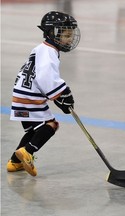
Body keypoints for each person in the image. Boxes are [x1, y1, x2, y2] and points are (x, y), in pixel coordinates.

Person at [7, 11, 81, 176]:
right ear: (52, 33)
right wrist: (62, 94)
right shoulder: (49, 52)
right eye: (66, 35)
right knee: (51, 125)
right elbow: (46, 77)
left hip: (21, 96)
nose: (70, 39)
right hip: (30, 98)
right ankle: (27, 152)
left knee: (33, 131)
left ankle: (15, 162)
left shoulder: (41, 48)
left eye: (71, 35)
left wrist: (58, 96)